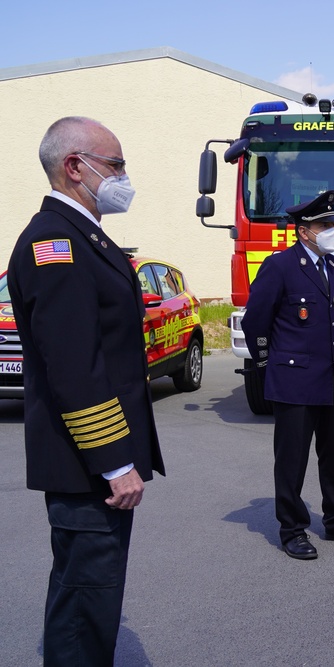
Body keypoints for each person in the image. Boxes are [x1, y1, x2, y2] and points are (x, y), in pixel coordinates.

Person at [8, 116, 164, 664]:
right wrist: (113, 461)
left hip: (87, 462)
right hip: (85, 465)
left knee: (85, 595)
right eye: (116, 164)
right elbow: (74, 366)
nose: (124, 176)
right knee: (85, 607)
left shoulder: (81, 235)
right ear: (76, 167)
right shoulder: (56, 242)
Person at [241, 190, 334, 560]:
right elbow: (255, 323)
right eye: (324, 225)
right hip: (295, 381)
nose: (333, 230)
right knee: (292, 459)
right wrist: (270, 367)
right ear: (303, 231)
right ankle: (292, 529)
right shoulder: (280, 266)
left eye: (333, 223)